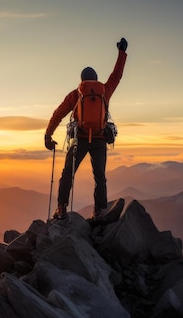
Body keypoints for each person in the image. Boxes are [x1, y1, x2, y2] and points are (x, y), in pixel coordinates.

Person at [44, 37, 128, 220]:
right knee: (100, 177)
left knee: (68, 173)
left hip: (80, 139)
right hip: (99, 138)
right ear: (96, 81)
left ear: (82, 81)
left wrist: (48, 135)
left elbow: (58, 114)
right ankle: (99, 210)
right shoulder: (105, 90)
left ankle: (61, 208)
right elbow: (117, 75)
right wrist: (122, 53)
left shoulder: (76, 95)